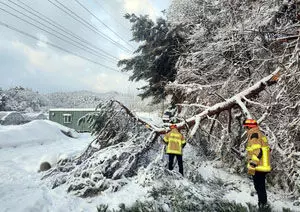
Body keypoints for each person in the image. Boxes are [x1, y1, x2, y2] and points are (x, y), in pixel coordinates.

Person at [243, 118, 271, 210]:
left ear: (249, 127)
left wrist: (252, 164)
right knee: (260, 187)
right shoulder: (259, 133)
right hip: (263, 166)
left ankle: (263, 206)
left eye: (246, 127)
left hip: (259, 166)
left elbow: (258, 152)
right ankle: (263, 205)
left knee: (259, 187)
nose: (245, 129)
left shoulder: (254, 135)